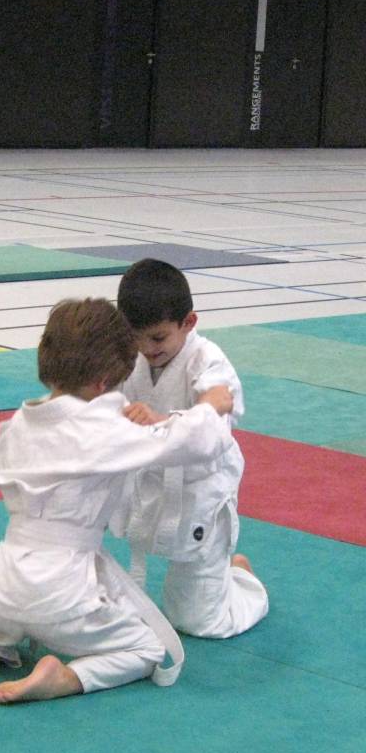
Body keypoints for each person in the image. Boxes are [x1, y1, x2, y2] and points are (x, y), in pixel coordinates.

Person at [0, 298, 236, 704]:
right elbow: (186, 442)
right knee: (146, 648)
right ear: (104, 382)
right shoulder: (102, 430)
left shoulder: (16, 425)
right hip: (62, 594)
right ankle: (66, 677)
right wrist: (209, 408)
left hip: (4, 576)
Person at [116, 259, 269, 638]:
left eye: (157, 338)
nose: (146, 349)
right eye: (136, 337)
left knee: (197, 620)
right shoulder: (130, 358)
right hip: (149, 481)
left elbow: (213, 427)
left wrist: (162, 421)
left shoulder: (208, 361)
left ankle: (242, 578)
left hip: (202, 488)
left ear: (189, 322)